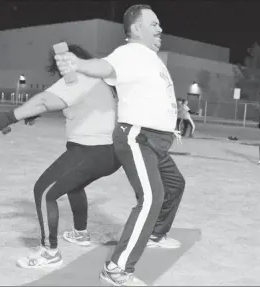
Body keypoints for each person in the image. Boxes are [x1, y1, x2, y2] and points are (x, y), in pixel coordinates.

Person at [55, 4, 185, 286]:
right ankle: (116, 269)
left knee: (174, 185)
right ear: (136, 28)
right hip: (138, 137)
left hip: (157, 140)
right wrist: (77, 64)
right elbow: (105, 66)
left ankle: (154, 233)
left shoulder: (151, 58)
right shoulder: (130, 52)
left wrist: (172, 123)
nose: (160, 28)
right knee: (151, 198)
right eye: (154, 24)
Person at [0, 45, 121, 268]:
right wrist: (35, 112)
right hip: (110, 153)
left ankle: (49, 252)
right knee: (74, 184)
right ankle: (80, 233)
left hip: (92, 149)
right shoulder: (98, 80)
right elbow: (69, 102)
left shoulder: (79, 75)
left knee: (43, 191)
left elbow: (44, 100)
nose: (61, 70)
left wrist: (10, 116)